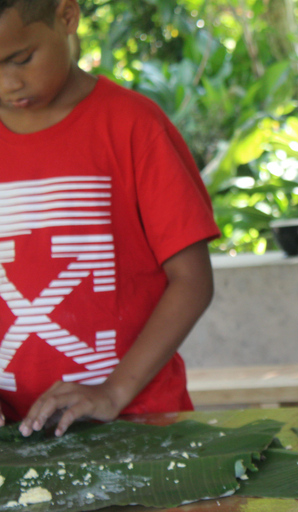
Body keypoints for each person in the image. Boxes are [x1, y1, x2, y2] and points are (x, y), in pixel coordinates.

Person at [0, 0, 221, 437]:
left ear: (67, 17)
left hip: (140, 420)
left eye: (21, 58)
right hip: (15, 434)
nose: (7, 83)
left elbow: (192, 280)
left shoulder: (134, 126)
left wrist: (113, 391)